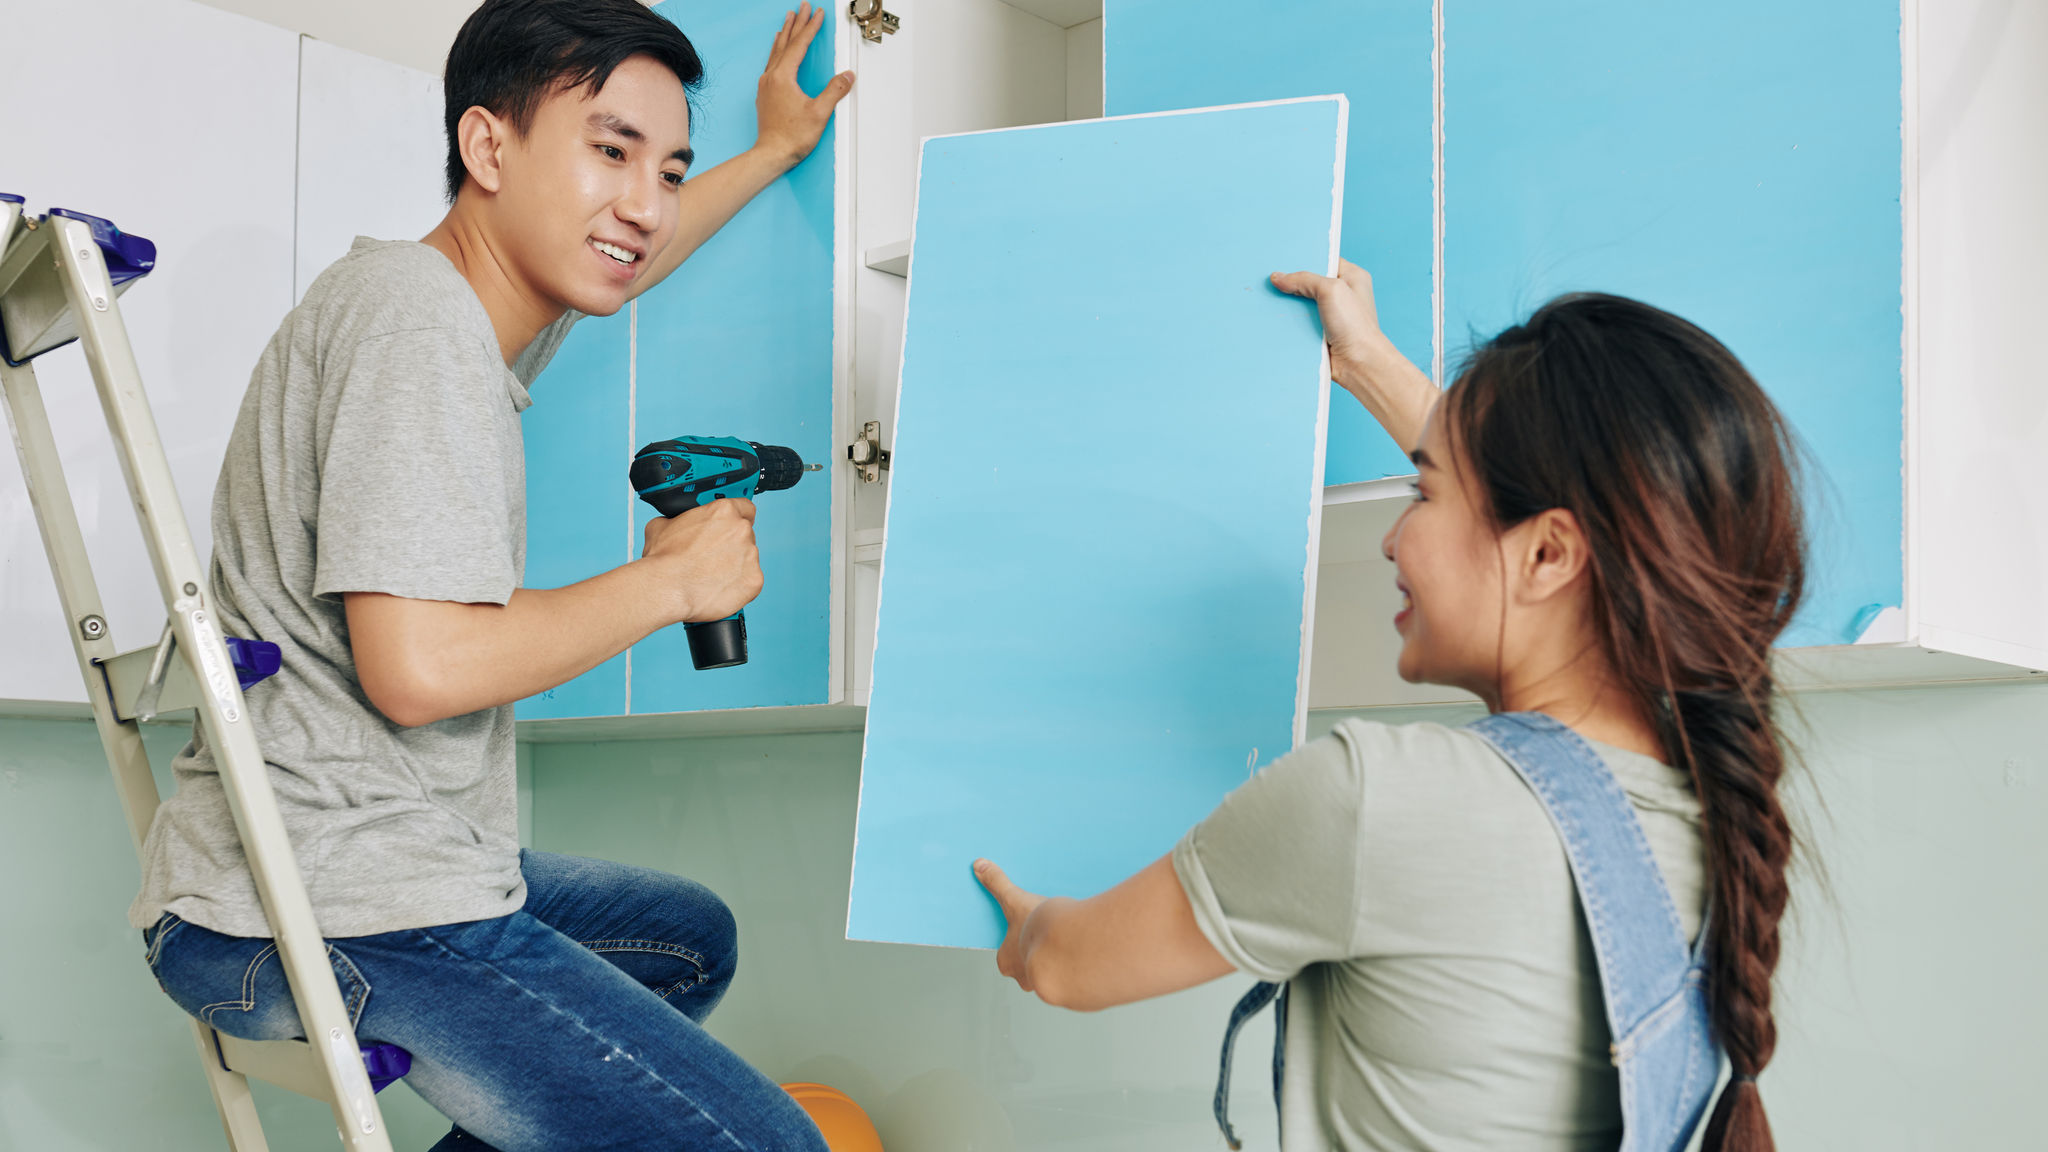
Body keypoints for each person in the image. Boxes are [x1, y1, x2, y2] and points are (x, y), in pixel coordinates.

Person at [130, 2, 852, 1148]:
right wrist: (671, 581)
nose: (644, 203)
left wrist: (768, 153)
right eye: (610, 152)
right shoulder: (418, 329)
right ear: (488, 147)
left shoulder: (451, 306)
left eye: (666, 169)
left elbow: (633, 251)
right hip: (328, 902)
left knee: (685, 938)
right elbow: (418, 669)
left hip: (286, 879)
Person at [975, 261, 1805, 1152]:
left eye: (1420, 493)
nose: (1393, 536)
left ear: (1551, 556)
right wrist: (1365, 361)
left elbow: (1066, 966)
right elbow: (1534, 513)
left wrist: (1022, 925)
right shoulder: (1704, 815)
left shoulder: (1379, 800)